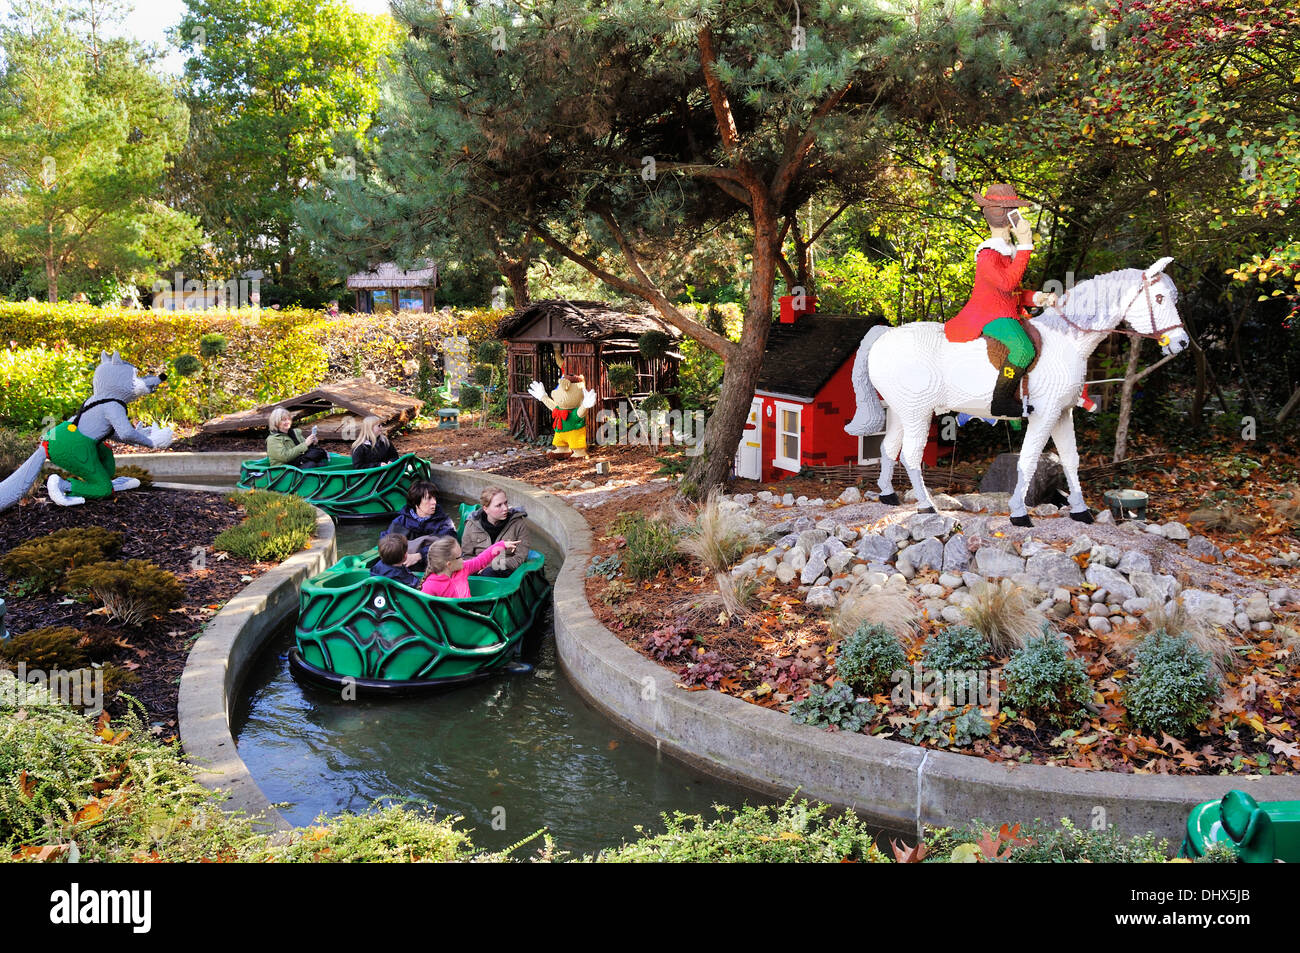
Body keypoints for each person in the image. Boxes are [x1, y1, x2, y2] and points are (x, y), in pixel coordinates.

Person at [944, 184, 1058, 418]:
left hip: (1005, 311)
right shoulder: (988, 255)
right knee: (1024, 349)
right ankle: (1001, 400)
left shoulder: (1005, 251)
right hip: (990, 315)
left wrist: (1040, 297)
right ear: (1008, 218)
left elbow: (1013, 291)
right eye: (1014, 212)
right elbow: (1006, 284)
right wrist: (1026, 245)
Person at [460, 486, 530, 578]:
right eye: (499, 505)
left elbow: (520, 558)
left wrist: (492, 565)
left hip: (506, 569)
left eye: (506, 503)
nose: (505, 508)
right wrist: (479, 565)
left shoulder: (518, 524)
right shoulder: (472, 524)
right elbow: (466, 556)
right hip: (477, 567)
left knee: (489, 573)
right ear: (485, 509)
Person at [382, 480, 455, 567]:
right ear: (416, 502)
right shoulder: (401, 521)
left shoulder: (445, 522)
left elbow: (448, 545)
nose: (434, 502)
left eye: (434, 498)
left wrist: (419, 556)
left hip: (432, 566)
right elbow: (386, 542)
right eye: (428, 498)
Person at [420, 535, 518, 599]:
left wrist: (501, 545)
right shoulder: (430, 586)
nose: (463, 559)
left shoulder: (463, 568)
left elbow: (481, 560)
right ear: (449, 564)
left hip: (469, 614)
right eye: (460, 556)